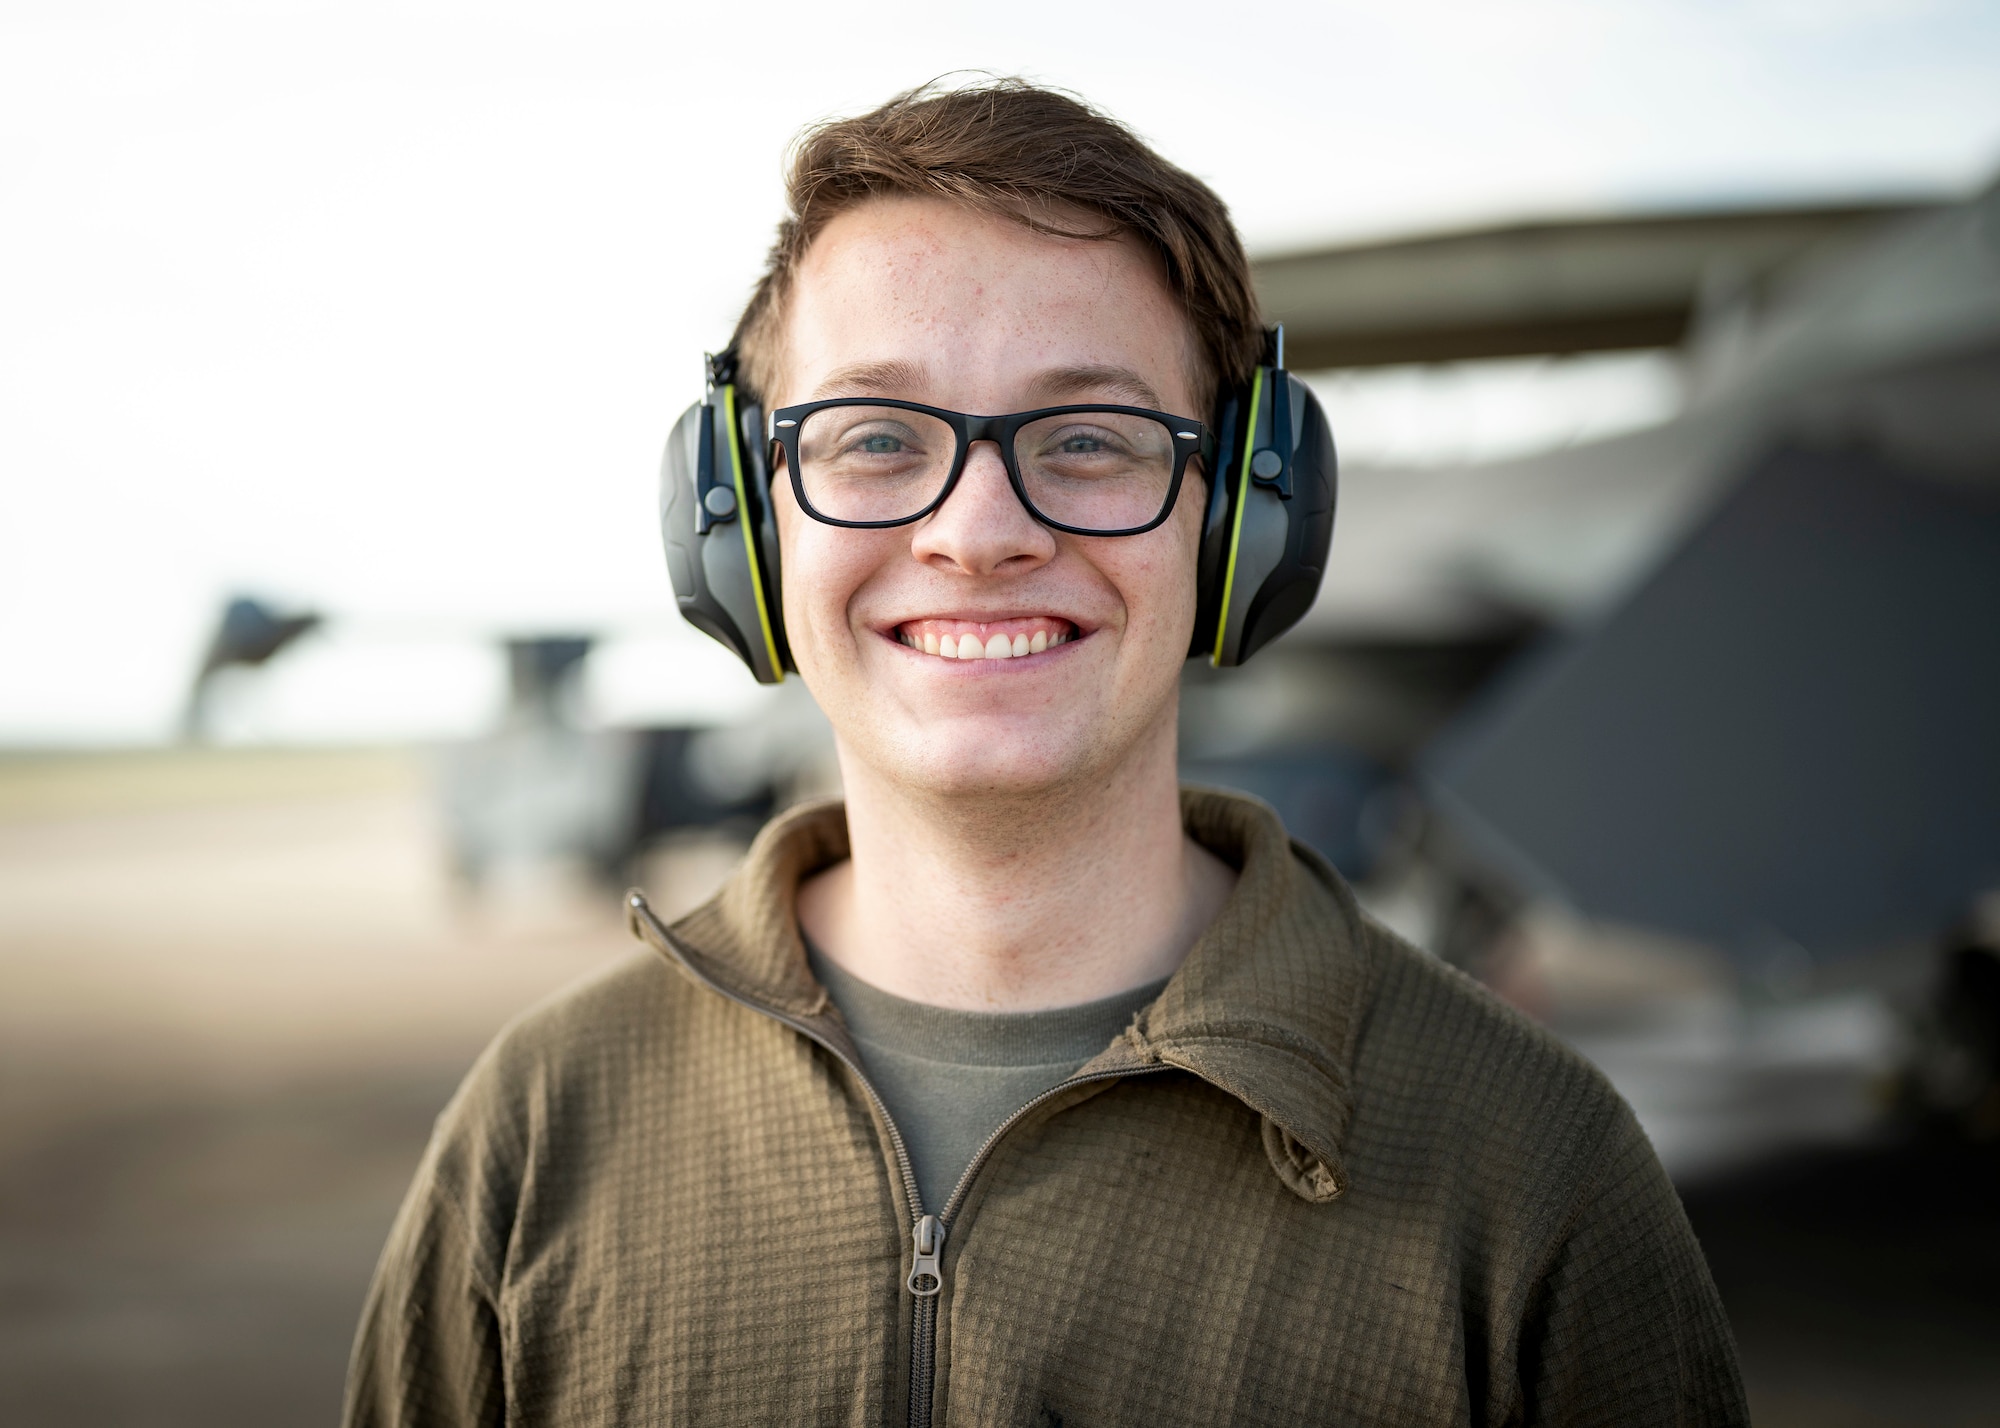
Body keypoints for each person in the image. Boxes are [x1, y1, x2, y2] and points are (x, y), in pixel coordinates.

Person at [344, 79, 1748, 1427]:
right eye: (875, 437)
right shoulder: (539, 1130)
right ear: (742, 530)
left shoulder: (1533, 1164)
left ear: (1243, 525)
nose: (979, 531)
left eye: (1090, 437)